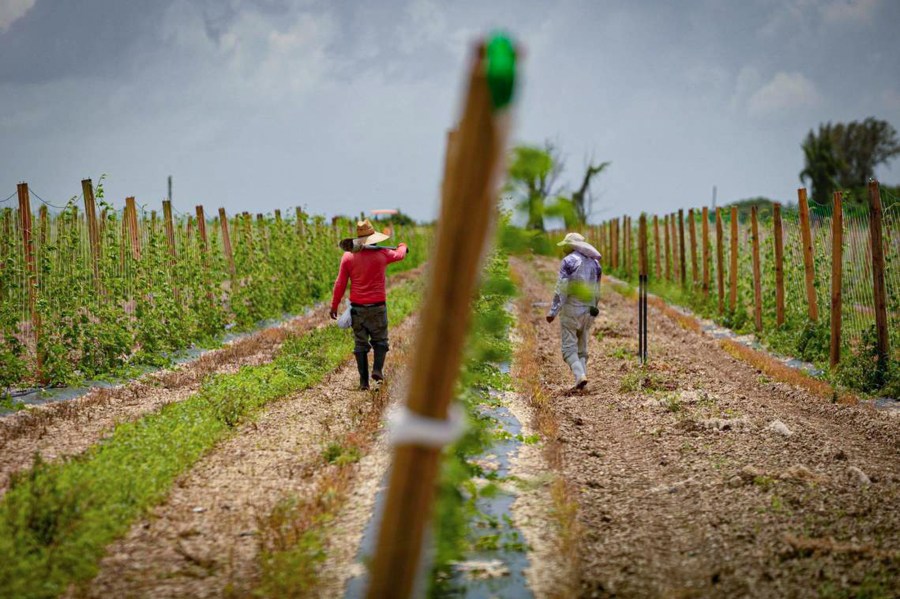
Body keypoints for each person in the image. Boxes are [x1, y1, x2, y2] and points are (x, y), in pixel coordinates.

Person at [330, 219, 408, 390]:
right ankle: (378, 370)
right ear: (374, 237)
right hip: (378, 306)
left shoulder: (348, 256)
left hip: (357, 308)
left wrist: (334, 305)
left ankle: (363, 382)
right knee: (380, 340)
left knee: (360, 344)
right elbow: (400, 255)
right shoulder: (383, 254)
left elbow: (340, 283)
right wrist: (402, 245)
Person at [546, 232, 602, 392]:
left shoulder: (569, 261)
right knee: (582, 348)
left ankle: (579, 377)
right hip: (588, 311)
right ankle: (582, 384)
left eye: (565, 246)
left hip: (571, 309)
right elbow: (597, 290)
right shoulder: (595, 264)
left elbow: (561, 289)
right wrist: (594, 308)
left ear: (571, 246)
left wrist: (553, 311)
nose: (563, 249)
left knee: (568, 349)